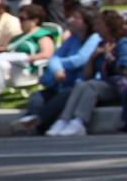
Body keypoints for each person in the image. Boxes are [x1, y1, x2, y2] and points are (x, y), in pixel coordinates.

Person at [45, 9, 127, 136]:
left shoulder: (123, 43)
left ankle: (79, 121)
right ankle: (64, 120)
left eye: (99, 24)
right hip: (106, 83)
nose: (95, 28)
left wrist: (109, 56)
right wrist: (92, 58)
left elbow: (125, 68)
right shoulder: (100, 44)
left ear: (109, 26)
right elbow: (87, 76)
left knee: (91, 86)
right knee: (81, 85)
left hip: (120, 85)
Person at [12, 7, 102, 135]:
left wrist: (58, 64)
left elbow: (79, 59)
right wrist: (58, 70)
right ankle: (30, 117)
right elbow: (54, 57)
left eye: (76, 18)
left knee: (62, 98)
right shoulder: (73, 38)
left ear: (87, 22)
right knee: (37, 96)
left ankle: (38, 122)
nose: (71, 20)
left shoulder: (94, 38)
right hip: (60, 82)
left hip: (77, 84)